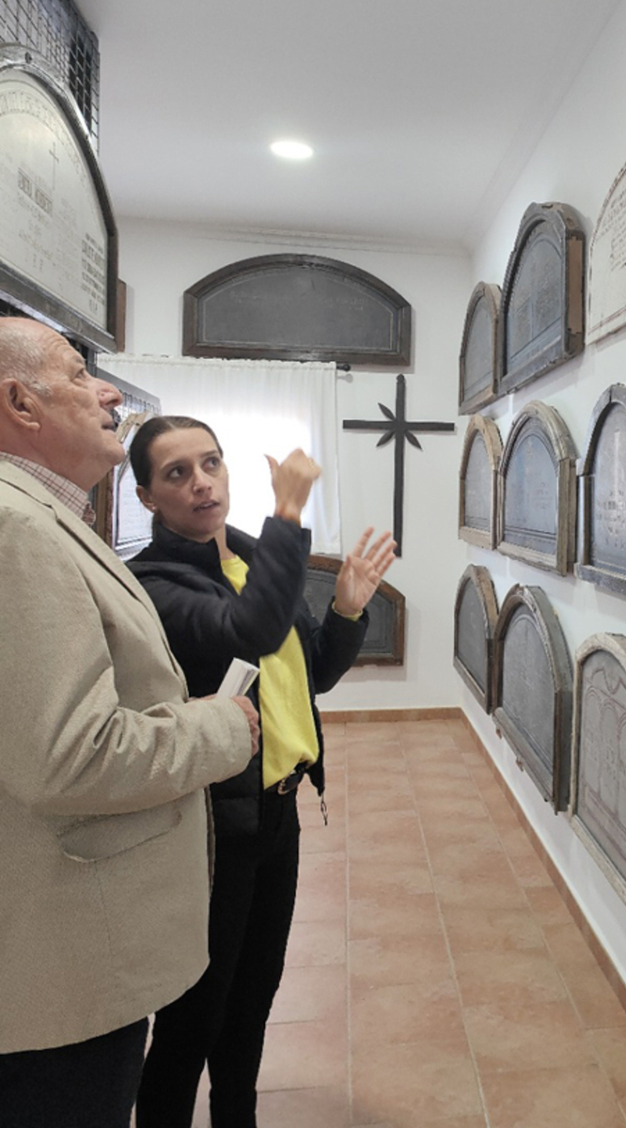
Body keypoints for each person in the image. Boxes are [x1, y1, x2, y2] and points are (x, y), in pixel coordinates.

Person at [0, 318, 260, 1128]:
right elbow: (68, 754)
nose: (110, 391)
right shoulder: (18, 531)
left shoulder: (48, 520)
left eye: (213, 463)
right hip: (64, 971)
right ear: (20, 402)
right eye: (80, 374)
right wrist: (221, 727)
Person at [127, 414, 394, 1128]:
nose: (201, 482)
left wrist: (344, 609)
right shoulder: (151, 582)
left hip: (277, 814)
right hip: (212, 827)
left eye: (210, 462)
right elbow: (246, 631)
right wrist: (289, 513)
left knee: (252, 1003)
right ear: (147, 496)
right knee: (194, 1018)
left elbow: (312, 677)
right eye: (176, 473)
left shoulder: (247, 556)